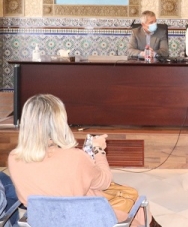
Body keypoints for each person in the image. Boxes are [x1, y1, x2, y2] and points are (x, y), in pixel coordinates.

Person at [8, 94, 161, 227]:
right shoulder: (74, 157)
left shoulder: (14, 158)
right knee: (135, 204)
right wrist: (99, 151)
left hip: (44, 221)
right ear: (59, 124)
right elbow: (104, 182)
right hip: (87, 219)